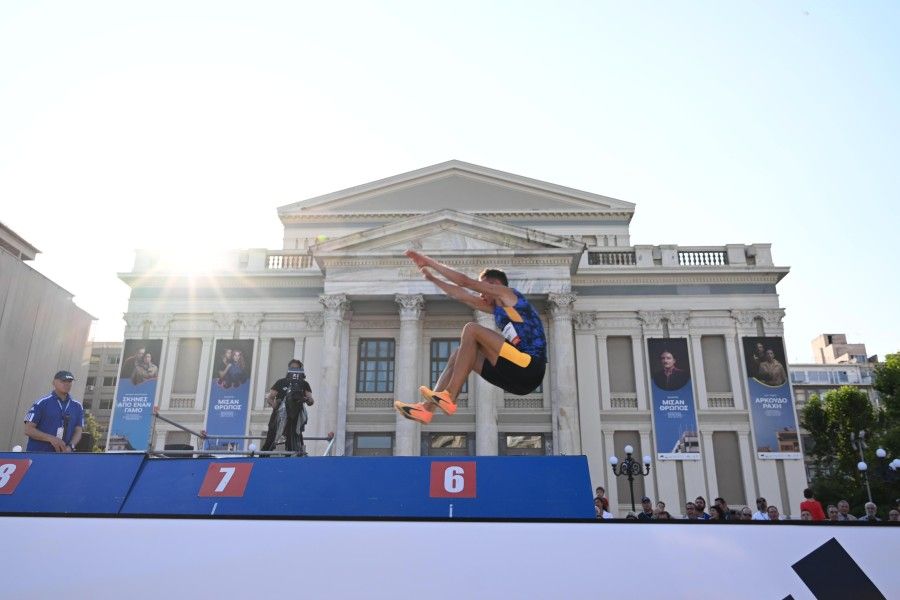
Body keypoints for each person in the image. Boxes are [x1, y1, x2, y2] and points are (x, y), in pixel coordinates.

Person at [394, 250, 546, 424]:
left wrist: (429, 262)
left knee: (472, 329)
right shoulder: (498, 310)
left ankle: (450, 395)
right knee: (458, 354)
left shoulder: (509, 294)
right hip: (517, 380)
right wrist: (433, 279)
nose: (481, 295)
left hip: (530, 365)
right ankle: (426, 411)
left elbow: (464, 282)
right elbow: (460, 294)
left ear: (494, 284)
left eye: (483, 289)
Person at [23, 371, 84, 453]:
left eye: (69, 382)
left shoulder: (77, 406)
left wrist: (71, 446)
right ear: (54, 382)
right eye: (63, 381)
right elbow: (28, 430)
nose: (67, 384)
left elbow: (78, 430)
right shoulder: (42, 403)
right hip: (39, 455)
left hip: (63, 457)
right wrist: (51, 439)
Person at [262, 359, 314, 454]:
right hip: (279, 417)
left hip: (295, 417)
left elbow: (311, 401)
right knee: (270, 439)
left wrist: (307, 399)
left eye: (297, 368)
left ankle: (293, 461)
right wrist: (275, 406)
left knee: (294, 443)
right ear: (289, 369)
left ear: (300, 369)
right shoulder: (281, 382)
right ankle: (263, 458)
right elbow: (270, 398)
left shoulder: (304, 384)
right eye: (293, 368)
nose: (295, 370)